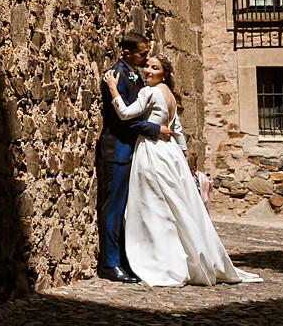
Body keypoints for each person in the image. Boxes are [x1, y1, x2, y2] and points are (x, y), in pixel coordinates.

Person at [103, 54, 263, 287]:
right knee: (177, 204)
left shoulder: (149, 91)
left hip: (153, 151)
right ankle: (185, 254)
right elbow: (177, 128)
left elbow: (126, 114)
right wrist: (185, 155)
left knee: (153, 205)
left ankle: (160, 259)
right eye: (146, 66)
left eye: (154, 68)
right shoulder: (169, 93)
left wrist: (113, 90)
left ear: (164, 73)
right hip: (171, 153)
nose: (147, 71)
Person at [96, 32, 172, 282]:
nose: (147, 57)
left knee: (132, 208)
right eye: (143, 53)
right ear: (127, 53)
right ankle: (110, 264)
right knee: (114, 208)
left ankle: (129, 260)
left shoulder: (136, 75)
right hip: (118, 149)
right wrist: (155, 130)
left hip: (135, 151)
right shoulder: (115, 75)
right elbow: (122, 120)